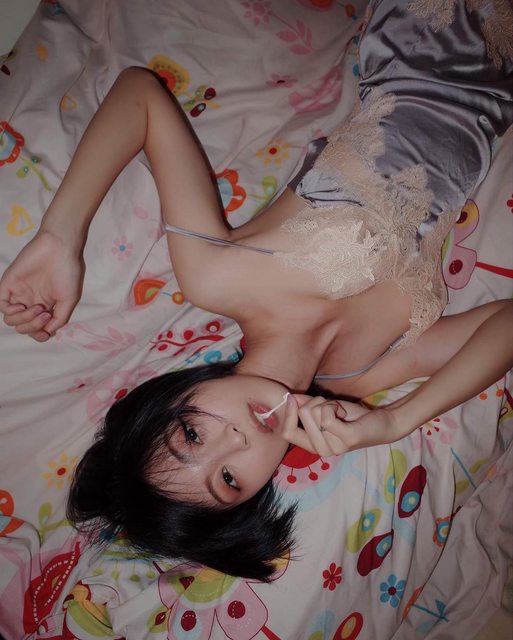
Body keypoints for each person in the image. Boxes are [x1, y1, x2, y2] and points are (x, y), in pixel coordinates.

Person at [1, 0, 512, 579]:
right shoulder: (361, 375)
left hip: (434, 29)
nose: (236, 441)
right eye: (228, 480)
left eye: (192, 433)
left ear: (172, 397)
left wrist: (60, 236)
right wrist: (396, 421)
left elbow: (139, 96)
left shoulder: (218, 278)